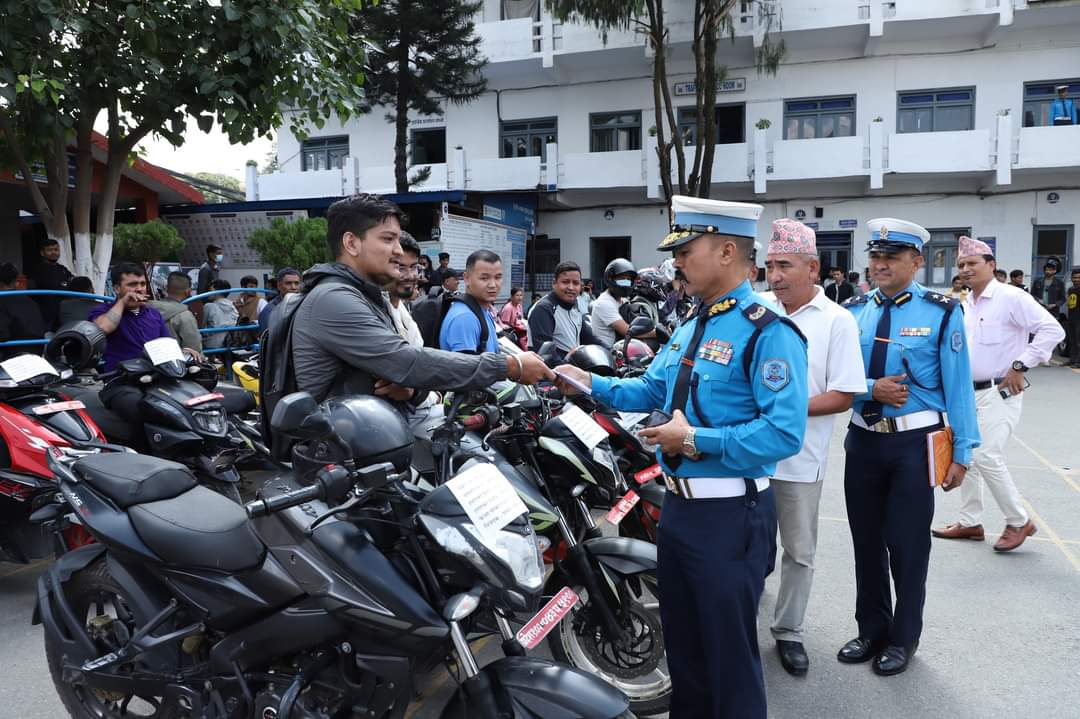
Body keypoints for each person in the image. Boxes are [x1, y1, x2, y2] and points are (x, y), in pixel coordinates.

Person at [555, 196, 808, 719]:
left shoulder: (768, 331)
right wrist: (586, 382)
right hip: (679, 510)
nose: (676, 262)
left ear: (727, 251)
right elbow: (651, 389)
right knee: (687, 653)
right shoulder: (694, 323)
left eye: (686, 251)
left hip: (730, 515)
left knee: (728, 660)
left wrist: (694, 440)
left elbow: (782, 434)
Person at [838, 218, 978, 677]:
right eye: (875, 256)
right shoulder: (852, 311)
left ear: (917, 262)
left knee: (907, 546)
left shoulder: (941, 312)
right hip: (863, 440)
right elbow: (833, 378)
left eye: (891, 257)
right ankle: (871, 629)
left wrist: (962, 452)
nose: (880, 264)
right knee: (866, 543)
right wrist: (868, 389)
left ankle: (903, 637)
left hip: (913, 445)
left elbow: (958, 386)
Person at [287, 193, 552, 414]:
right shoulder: (334, 299)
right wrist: (509, 366)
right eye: (388, 239)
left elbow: (400, 374)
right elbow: (406, 361)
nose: (398, 250)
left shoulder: (365, 296)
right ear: (351, 243)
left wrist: (411, 391)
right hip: (341, 452)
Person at [762, 220, 867, 677]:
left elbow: (844, 395)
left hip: (800, 460)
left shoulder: (837, 321)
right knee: (746, 546)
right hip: (746, 455)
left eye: (785, 265)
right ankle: (741, 614)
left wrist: (783, 410)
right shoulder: (757, 310)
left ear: (813, 268)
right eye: (769, 266)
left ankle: (789, 630)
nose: (775, 276)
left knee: (799, 551)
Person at [932, 237, 1064, 551]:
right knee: (967, 454)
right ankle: (970, 521)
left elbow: (1053, 330)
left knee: (986, 454)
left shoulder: (1011, 297)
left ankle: (1019, 521)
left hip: (999, 390)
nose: (966, 269)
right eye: (961, 264)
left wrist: (1021, 365)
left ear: (991, 265)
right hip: (967, 393)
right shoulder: (966, 303)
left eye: (972, 263)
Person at [384, 231, 444, 431]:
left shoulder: (402, 310)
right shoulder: (374, 312)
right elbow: (400, 384)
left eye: (414, 267)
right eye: (400, 267)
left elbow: (422, 367)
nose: (410, 276)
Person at [89, 262, 173, 371]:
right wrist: (123, 302)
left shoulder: (154, 314)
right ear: (117, 288)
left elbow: (168, 344)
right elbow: (103, 328)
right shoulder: (102, 310)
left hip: (154, 375)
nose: (140, 289)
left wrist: (184, 351)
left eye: (143, 284)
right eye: (132, 284)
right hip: (122, 377)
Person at [440, 250, 503, 354]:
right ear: (466, 278)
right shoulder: (465, 318)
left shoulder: (482, 310)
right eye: (484, 278)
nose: (493, 285)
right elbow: (465, 364)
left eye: (498, 277)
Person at [528, 261, 597, 354]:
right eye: (565, 282)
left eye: (576, 283)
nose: (571, 287)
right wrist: (569, 363)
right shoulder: (544, 309)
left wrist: (609, 351)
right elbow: (545, 353)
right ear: (554, 283)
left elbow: (588, 337)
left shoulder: (574, 307)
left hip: (573, 361)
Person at [0, 262, 47, 360]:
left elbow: (2, 335)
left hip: (12, 355)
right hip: (36, 353)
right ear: (15, 281)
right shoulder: (31, 301)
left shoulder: (2, 301)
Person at [148, 272, 203, 353]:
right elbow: (194, 349)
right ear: (188, 291)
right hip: (175, 359)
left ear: (166, 287)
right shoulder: (185, 315)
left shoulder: (147, 309)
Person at [590, 258, 637, 348]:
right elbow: (628, 331)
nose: (626, 282)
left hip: (621, 348)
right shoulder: (604, 302)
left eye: (628, 279)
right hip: (607, 351)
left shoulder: (623, 300)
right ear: (610, 278)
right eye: (622, 278)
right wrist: (656, 333)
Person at [29, 237, 74, 330]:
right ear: (42, 253)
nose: (54, 252)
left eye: (56, 249)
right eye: (49, 250)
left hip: (64, 314)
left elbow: (73, 283)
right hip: (46, 317)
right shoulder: (36, 270)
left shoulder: (63, 269)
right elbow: (31, 293)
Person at [258, 267, 302, 333]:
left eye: (296, 283)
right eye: (288, 283)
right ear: (279, 286)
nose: (293, 287)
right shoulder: (270, 310)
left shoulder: (304, 304)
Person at [202, 279, 239, 350]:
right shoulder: (232, 305)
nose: (208, 293)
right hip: (230, 343)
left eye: (210, 290)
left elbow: (202, 326)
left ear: (217, 291)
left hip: (212, 345)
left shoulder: (208, 306)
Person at [1069, 267, 1080, 368]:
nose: (1076, 279)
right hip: (1072, 317)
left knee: (1078, 341)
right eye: (1074, 277)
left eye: (1078, 278)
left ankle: (1078, 362)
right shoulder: (1071, 289)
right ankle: (1072, 359)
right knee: (1072, 340)